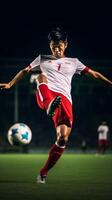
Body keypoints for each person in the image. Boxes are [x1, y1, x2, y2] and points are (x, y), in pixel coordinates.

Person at [0, 27, 112, 184]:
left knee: (63, 138)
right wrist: (10, 84)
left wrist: (110, 83)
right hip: (47, 94)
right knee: (40, 76)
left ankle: (43, 173)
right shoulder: (42, 59)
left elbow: (94, 74)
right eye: (53, 46)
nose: (56, 49)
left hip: (64, 100)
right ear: (50, 46)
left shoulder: (74, 62)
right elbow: (25, 71)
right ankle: (49, 106)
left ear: (66, 44)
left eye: (59, 46)